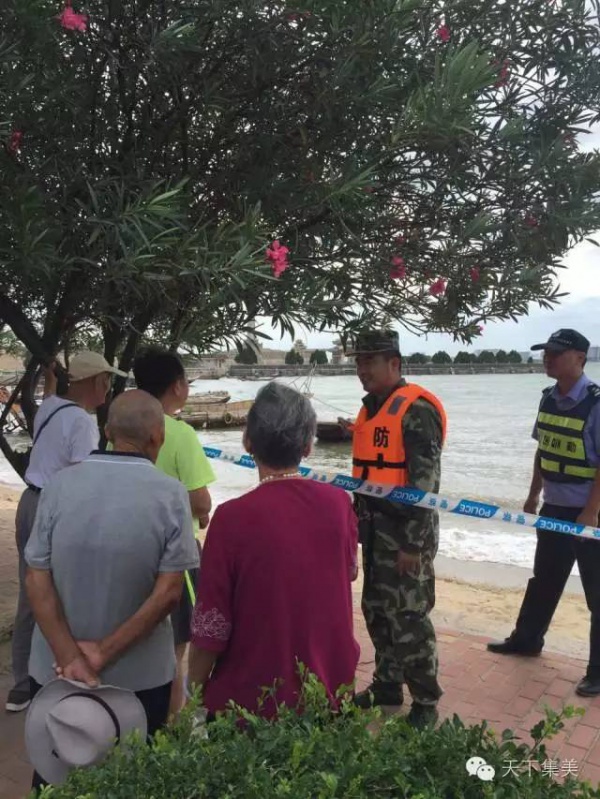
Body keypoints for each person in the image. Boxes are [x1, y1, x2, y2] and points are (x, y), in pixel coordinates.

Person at [24, 390, 199, 789]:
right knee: (132, 778)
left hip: (55, 669)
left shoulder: (58, 486)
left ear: (106, 432)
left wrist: (71, 657)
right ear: (158, 437)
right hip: (138, 676)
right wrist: (100, 654)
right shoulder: (170, 494)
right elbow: (170, 593)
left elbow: (37, 577)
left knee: (54, 770)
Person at [188, 382, 359, 718]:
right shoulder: (339, 504)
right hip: (327, 689)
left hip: (249, 701)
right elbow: (348, 572)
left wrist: (192, 690)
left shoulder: (231, 518)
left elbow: (212, 623)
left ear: (247, 441)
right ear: (308, 446)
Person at [6, 351, 127, 714]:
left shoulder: (53, 408)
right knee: (59, 592)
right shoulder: (83, 423)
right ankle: (59, 673)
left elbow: (47, 397)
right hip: (57, 508)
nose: (109, 386)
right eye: (105, 380)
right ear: (92, 382)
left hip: (29, 502)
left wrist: (52, 379)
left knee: (31, 589)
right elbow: (81, 480)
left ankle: (22, 684)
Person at [488, 329, 600, 696]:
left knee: (597, 592)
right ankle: (527, 639)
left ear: (580, 358)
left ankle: (597, 672)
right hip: (554, 507)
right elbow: (543, 451)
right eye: (545, 353)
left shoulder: (596, 404)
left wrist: (590, 513)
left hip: (589, 514)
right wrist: (533, 496)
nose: (547, 359)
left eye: (556, 353)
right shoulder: (548, 399)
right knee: (545, 579)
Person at [345, 330, 446, 728]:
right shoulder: (370, 409)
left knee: (409, 618)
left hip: (405, 534)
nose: (361, 369)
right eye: (358, 362)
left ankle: (425, 700)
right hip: (373, 532)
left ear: (395, 364)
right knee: (378, 612)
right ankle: (387, 684)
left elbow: (426, 486)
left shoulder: (416, 411)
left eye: (369, 361)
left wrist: (412, 544)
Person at [133, 347, 215, 715]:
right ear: (178, 386)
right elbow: (201, 502)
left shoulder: (124, 428)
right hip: (175, 556)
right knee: (176, 647)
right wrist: (203, 517)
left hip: (132, 546)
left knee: (139, 637)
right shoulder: (179, 433)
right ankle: (169, 729)